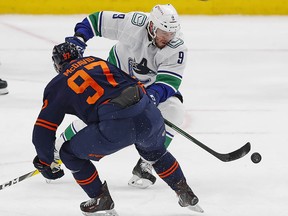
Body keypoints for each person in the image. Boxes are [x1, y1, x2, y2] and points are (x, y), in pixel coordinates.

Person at [32, 42, 203, 215]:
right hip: (148, 114)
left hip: (116, 125)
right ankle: (184, 190)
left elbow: (43, 130)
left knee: (69, 153)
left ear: (56, 64)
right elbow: (135, 83)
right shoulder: (97, 61)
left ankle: (100, 197)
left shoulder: (57, 85)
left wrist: (45, 161)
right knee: (155, 152)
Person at [60, 3, 187, 188]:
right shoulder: (134, 24)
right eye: (163, 32)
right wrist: (78, 39)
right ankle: (58, 150)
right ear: (151, 26)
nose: (167, 38)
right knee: (97, 117)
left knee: (174, 110)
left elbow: (169, 82)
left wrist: (150, 97)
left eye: (171, 34)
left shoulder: (177, 47)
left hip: (149, 87)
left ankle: (147, 162)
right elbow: (95, 20)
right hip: (116, 79)